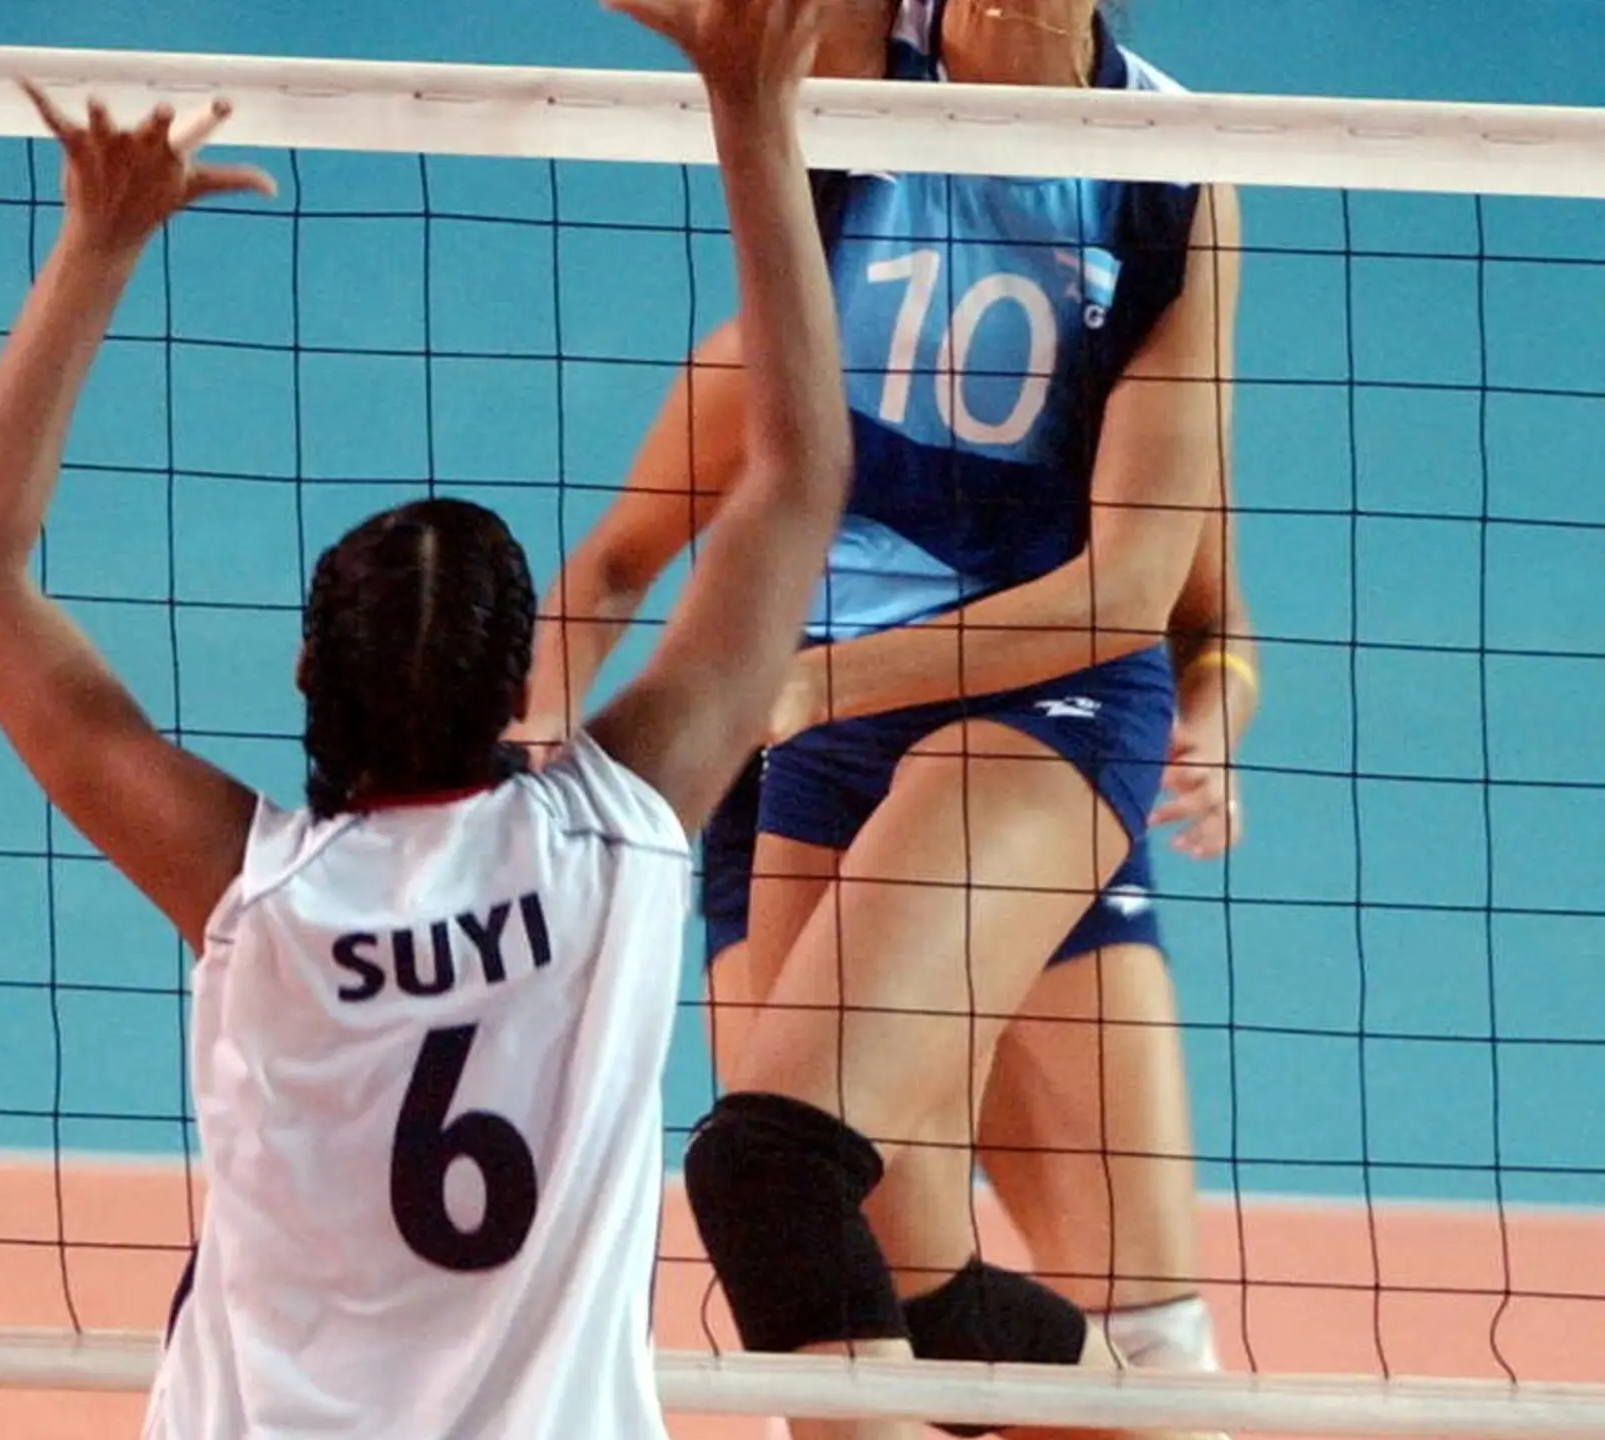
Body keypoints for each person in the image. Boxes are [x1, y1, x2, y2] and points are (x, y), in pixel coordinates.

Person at [0, 0, 858, 1427]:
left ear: (309, 673)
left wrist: (97, 241)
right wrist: (751, 111)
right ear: (523, 692)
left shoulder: (254, 894)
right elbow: (795, 481)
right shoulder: (620, 839)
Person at [522, 0, 1242, 1434]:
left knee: (788, 1177)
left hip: (1030, 709)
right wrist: (521, 784)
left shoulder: (1169, 168)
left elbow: (1150, 590)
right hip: (822, 736)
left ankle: (1166, 1402)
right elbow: (605, 568)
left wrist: (1220, 692)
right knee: (884, 1281)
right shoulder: (856, 75)